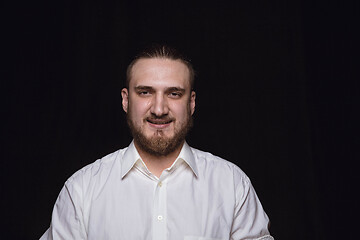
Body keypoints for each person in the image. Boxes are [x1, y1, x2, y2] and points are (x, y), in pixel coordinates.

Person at [40, 44, 274, 240]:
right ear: (125, 100)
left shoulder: (232, 186)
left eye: (174, 93)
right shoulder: (81, 191)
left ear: (191, 103)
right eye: (145, 92)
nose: (159, 109)